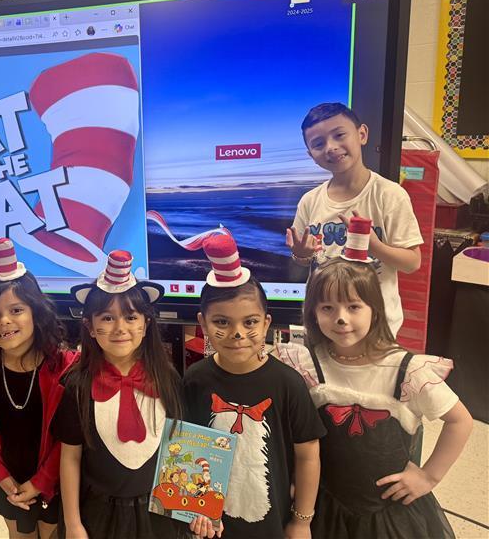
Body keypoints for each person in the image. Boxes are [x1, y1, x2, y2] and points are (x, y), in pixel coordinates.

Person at [276, 221, 472, 538]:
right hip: (325, 506)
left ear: (375, 311)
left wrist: (428, 477)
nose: (341, 317)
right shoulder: (309, 365)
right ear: (313, 313)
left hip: (389, 516)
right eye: (327, 307)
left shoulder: (408, 370)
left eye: (354, 306)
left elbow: (460, 421)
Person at [183, 232, 325, 539]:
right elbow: (186, 448)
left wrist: (302, 520)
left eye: (249, 322)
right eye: (221, 322)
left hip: (269, 524)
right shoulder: (194, 378)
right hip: (211, 524)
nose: (237, 333)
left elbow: (308, 454)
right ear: (203, 323)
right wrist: (196, 508)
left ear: (266, 322)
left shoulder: (287, 383)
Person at [53, 250, 188, 539]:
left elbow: (181, 449)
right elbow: (70, 458)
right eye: (107, 318)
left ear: (146, 323)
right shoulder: (78, 386)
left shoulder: (169, 380)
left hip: (159, 512)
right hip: (99, 514)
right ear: (90, 327)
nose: (120, 328)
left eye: (130, 316)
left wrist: (194, 511)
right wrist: (73, 523)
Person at [0, 238, 77, 539]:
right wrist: (1, 478)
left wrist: (42, 482)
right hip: (7, 482)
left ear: (35, 313)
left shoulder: (65, 369)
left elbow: (68, 442)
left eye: (16, 310)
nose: (4, 321)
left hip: (54, 482)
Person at [287, 102, 422, 336]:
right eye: (318, 144)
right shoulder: (309, 201)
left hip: (376, 327)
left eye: (339, 135)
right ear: (311, 155)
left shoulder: (389, 195)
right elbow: (304, 262)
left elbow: (412, 263)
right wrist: (302, 254)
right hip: (323, 323)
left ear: (362, 134)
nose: (331, 147)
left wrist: (374, 246)